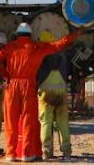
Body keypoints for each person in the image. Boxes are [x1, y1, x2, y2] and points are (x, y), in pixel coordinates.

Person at [0, 23, 83, 162]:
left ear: (17, 34)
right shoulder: (37, 47)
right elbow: (58, 45)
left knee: (11, 121)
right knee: (29, 121)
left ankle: (11, 153)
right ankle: (27, 154)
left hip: (12, 85)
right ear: (30, 34)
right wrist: (74, 35)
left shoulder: (10, 47)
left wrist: (5, 76)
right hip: (29, 85)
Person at [35, 31, 71, 159]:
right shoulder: (62, 57)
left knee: (45, 123)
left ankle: (46, 151)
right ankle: (67, 151)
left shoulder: (40, 57)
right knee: (63, 123)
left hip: (46, 95)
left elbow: (36, 77)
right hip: (61, 94)